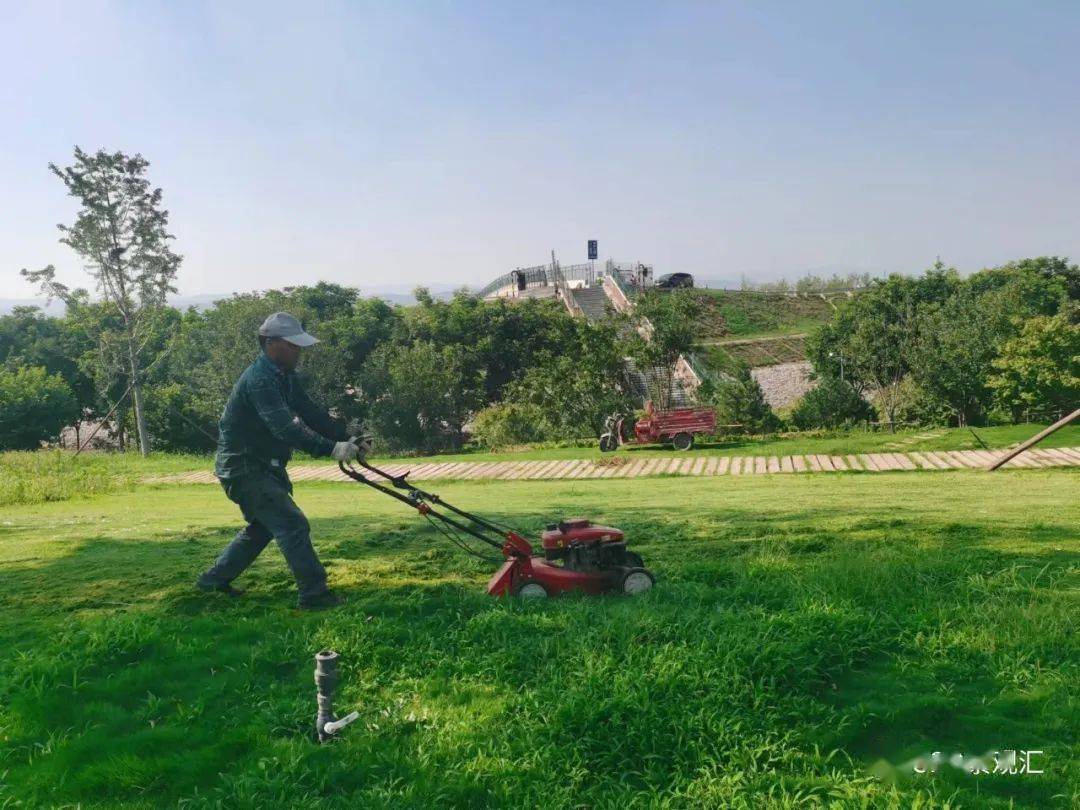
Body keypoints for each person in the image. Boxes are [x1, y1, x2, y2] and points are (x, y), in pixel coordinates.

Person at [196, 312, 362, 609]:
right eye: (293, 346)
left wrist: (347, 436)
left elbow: (309, 411)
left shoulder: (283, 377)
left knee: (263, 528)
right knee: (292, 523)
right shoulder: (260, 380)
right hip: (243, 467)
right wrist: (331, 449)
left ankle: (211, 582)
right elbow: (285, 428)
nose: (299, 351)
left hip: (263, 466)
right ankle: (315, 595)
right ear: (272, 344)